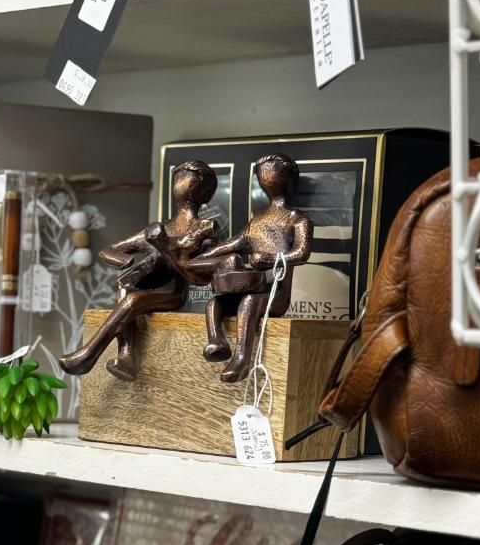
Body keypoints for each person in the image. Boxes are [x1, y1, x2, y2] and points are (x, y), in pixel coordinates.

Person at [60, 158, 219, 381]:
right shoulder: (159, 228)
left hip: (172, 293)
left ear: (205, 190)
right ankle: (126, 358)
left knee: (132, 300)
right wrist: (126, 262)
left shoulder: (204, 229)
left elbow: (201, 278)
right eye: (179, 176)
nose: (181, 182)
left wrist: (168, 250)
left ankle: (89, 354)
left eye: (188, 177)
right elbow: (109, 250)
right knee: (125, 290)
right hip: (146, 288)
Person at [188, 153, 312, 382]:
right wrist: (204, 254)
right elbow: (233, 243)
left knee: (249, 301)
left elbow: (301, 254)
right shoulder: (257, 221)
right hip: (251, 287)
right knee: (216, 302)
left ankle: (243, 358)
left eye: (272, 170)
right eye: (262, 172)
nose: (266, 176)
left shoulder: (297, 218)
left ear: (288, 177)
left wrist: (271, 259)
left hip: (276, 294)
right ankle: (217, 341)